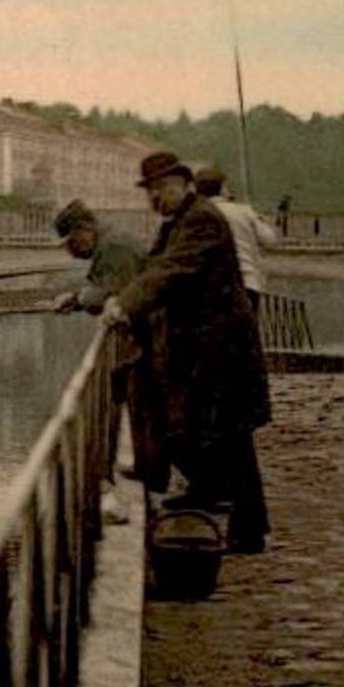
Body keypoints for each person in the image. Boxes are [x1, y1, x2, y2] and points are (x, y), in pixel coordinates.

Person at [102, 152, 271, 553]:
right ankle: (211, 494)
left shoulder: (201, 220)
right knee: (208, 428)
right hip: (204, 347)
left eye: (162, 188)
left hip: (223, 347)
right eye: (150, 192)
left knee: (233, 437)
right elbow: (151, 267)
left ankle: (250, 531)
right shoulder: (178, 221)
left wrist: (125, 304)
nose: (156, 198)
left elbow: (171, 271)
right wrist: (120, 295)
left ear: (184, 185)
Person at [52, 199, 161, 504]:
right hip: (146, 335)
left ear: (85, 230)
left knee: (144, 400)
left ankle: (151, 470)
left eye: (70, 241)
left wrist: (78, 298)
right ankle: (147, 467)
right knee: (140, 400)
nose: (70, 249)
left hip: (151, 337)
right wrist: (78, 300)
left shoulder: (115, 248)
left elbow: (118, 293)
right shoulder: (113, 244)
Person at [195, 167, 275, 314]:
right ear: (222, 188)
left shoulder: (194, 215)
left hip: (208, 287)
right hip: (246, 283)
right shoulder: (243, 211)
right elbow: (269, 239)